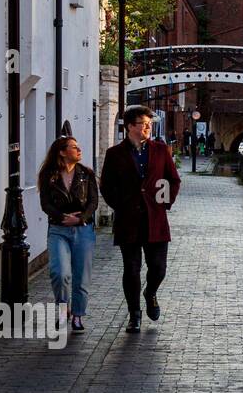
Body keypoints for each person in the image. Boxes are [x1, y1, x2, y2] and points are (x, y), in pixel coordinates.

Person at [100, 106, 181, 333]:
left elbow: (173, 180)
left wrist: (165, 202)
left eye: (149, 124)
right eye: (143, 124)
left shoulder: (161, 150)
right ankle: (134, 314)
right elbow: (106, 185)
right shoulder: (115, 154)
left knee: (158, 268)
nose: (147, 128)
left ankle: (151, 292)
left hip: (156, 220)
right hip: (129, 221)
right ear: (129, 127)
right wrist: (122, 206)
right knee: (131, 269)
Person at [37, 136, 98, 332]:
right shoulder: (49, 175)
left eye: (79, 147)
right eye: (74, 147)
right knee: (59, 273)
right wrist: (62, 217)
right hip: (58, 229)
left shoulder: (86, 174)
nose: (79, 150)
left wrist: (80, 219)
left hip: (83, 230)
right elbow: (45, 203)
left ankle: (78, 316)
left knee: (81, 276)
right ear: (62, 152)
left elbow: (93, 202)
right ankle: (64, 311)